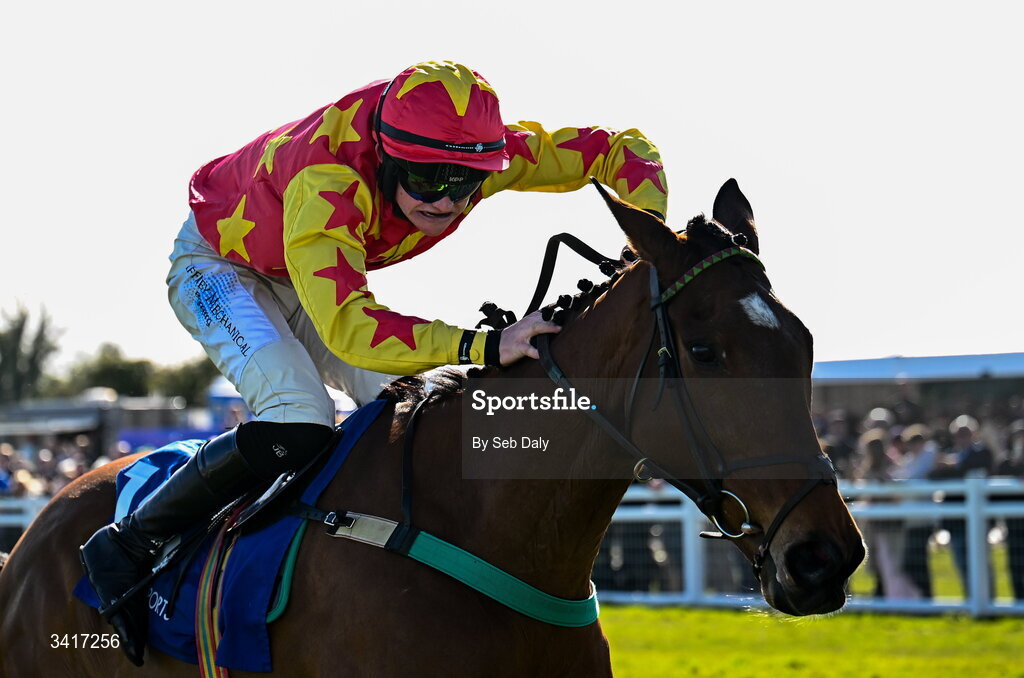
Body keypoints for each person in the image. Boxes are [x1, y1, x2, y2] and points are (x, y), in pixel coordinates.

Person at [79, 60, 669, 663]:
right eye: (427, 180)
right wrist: (486, 344)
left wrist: (645, 253)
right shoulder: (328, 181)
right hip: (222, 267)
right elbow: (350, 329)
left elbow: (624, 150)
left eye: (468, 183)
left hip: (308, 270)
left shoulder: (478, 155)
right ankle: (129, 540)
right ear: (386, 156)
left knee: (423, 410)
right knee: (300, 415)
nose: (448, 199)